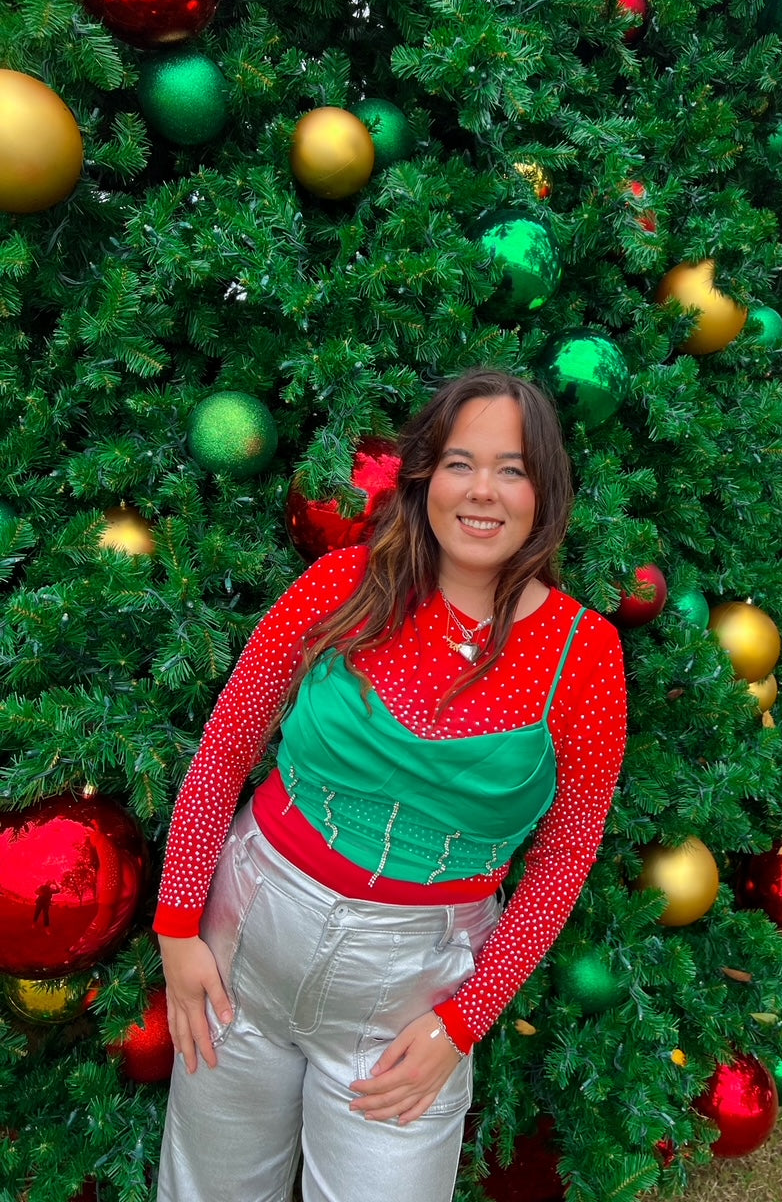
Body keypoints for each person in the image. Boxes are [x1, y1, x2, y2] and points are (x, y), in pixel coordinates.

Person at [155, 369, 628, 1202]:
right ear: (425, 477)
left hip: (410, 1007)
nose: (483, 491)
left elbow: (564, 856)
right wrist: (177, 929)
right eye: (460, 463)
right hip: (242, 958)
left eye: (512, 469)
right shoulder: (342, 584)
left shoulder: (583, 656)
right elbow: (227, 747)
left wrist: (464, 1022)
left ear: (544, 492)